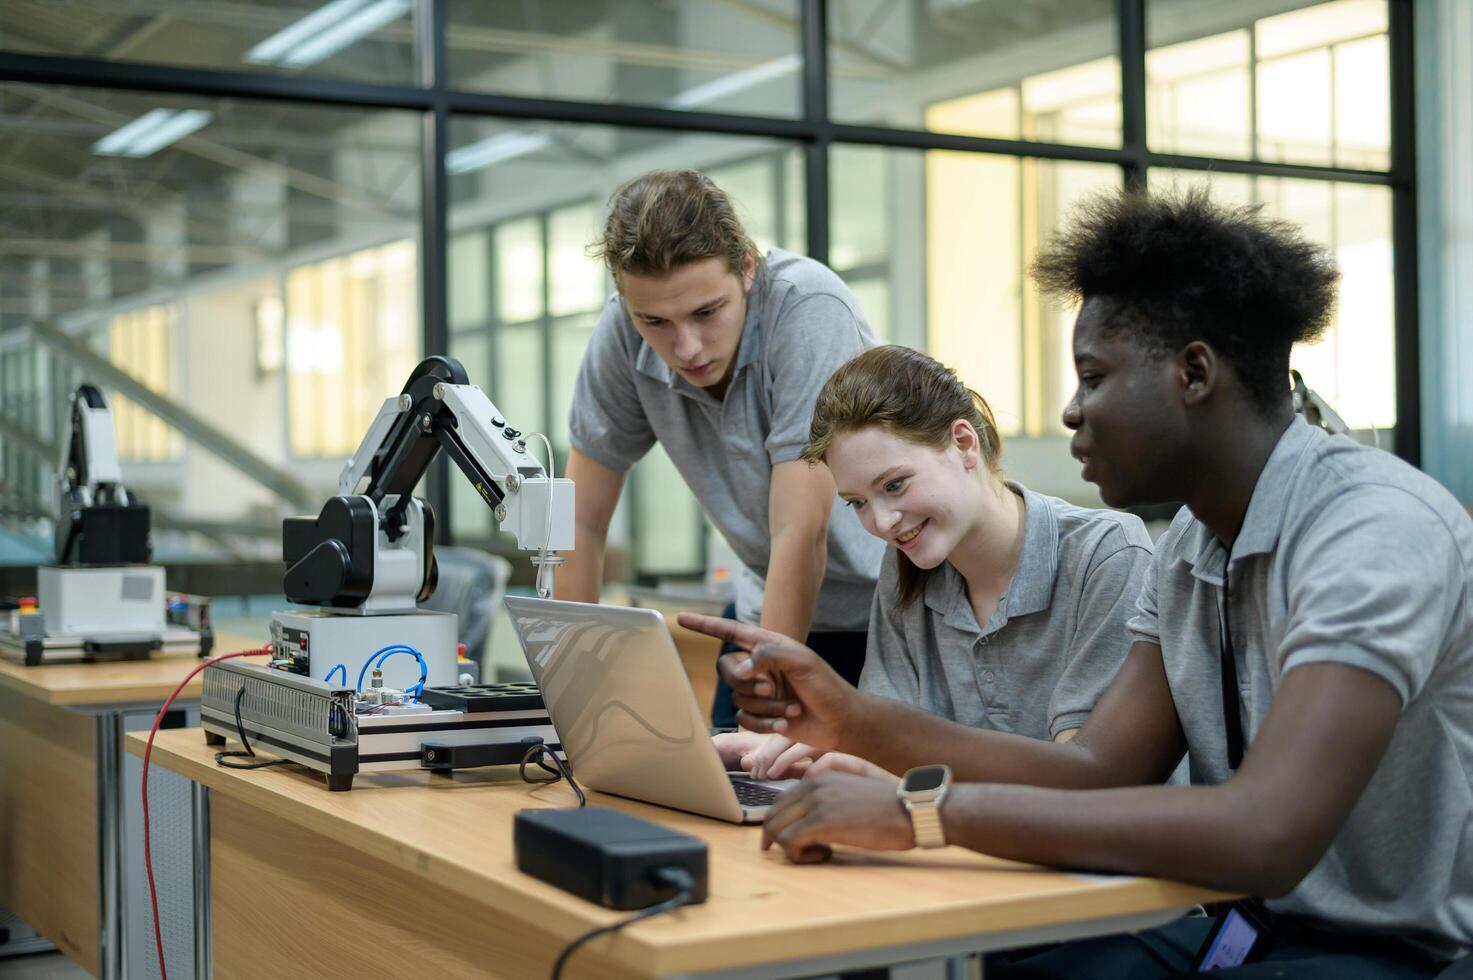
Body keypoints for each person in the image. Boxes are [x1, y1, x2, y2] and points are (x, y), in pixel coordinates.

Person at [681, 188, 1472, 977]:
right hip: (1252, 930)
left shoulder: (1371, 527)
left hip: (1396, 951)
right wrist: (849, 716)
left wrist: (922, 813)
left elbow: (1264, 833)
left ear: (1193, 373)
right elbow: (1096, 770)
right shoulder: (1194, 543)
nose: (1069, 411)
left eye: (1092, 377)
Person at [713, 345, 1153, 782]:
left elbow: (1085, 787)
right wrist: (804, 752)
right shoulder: (904, 567)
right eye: (858, 503)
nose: (883, 522)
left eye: (896, 484)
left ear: (963, 443)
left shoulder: (1108, 554)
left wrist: (901, 781)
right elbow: (885, 751)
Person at [560, 170, 884, 725]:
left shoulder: (808, 308)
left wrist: (770, 683)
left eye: (707, 312)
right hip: (767, 606)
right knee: (724, 792)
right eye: (655, 321)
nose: (686, 347)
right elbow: (579, 523)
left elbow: (800, 532)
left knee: (826, 797)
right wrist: (569, 687)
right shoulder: (619, 334)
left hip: (887, 618)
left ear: (748, 269)